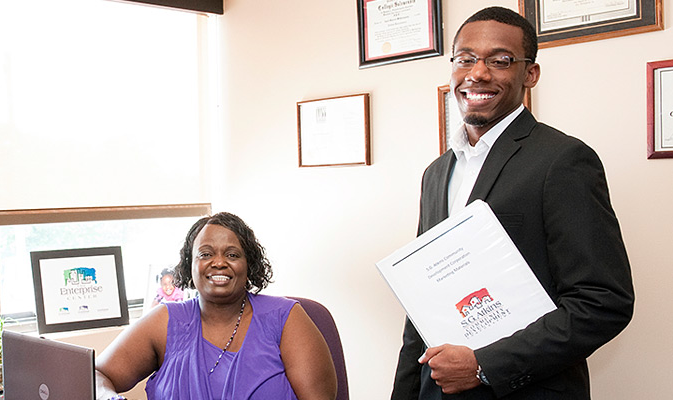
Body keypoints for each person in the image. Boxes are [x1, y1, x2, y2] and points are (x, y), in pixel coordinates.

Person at [391, 7, 634, 399]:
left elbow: (603, 302)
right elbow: (422, 306)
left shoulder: (564, 160)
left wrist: (485, 366)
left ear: (530, 74)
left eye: (500, 60)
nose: (478, 72)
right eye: (465, 59)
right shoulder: (436, 173)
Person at [95, 212, 337, 399]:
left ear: (249, 266)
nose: (219, 263)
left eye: (232, 255)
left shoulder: (286, 318)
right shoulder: (164, 321)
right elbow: (95, 375)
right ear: (190, 263)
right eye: (206, 254)